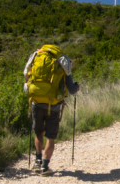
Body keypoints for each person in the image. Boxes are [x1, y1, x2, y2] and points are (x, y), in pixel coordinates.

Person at [23, 44, 82, 175]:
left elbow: (27, 78)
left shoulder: (36, 58)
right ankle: (45, 166)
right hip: (53, 105)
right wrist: (77, 87)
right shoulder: (62, 62)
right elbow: (72, 90)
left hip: (35, 102)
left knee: (39, 133)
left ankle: (37, 161)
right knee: (50, 138)